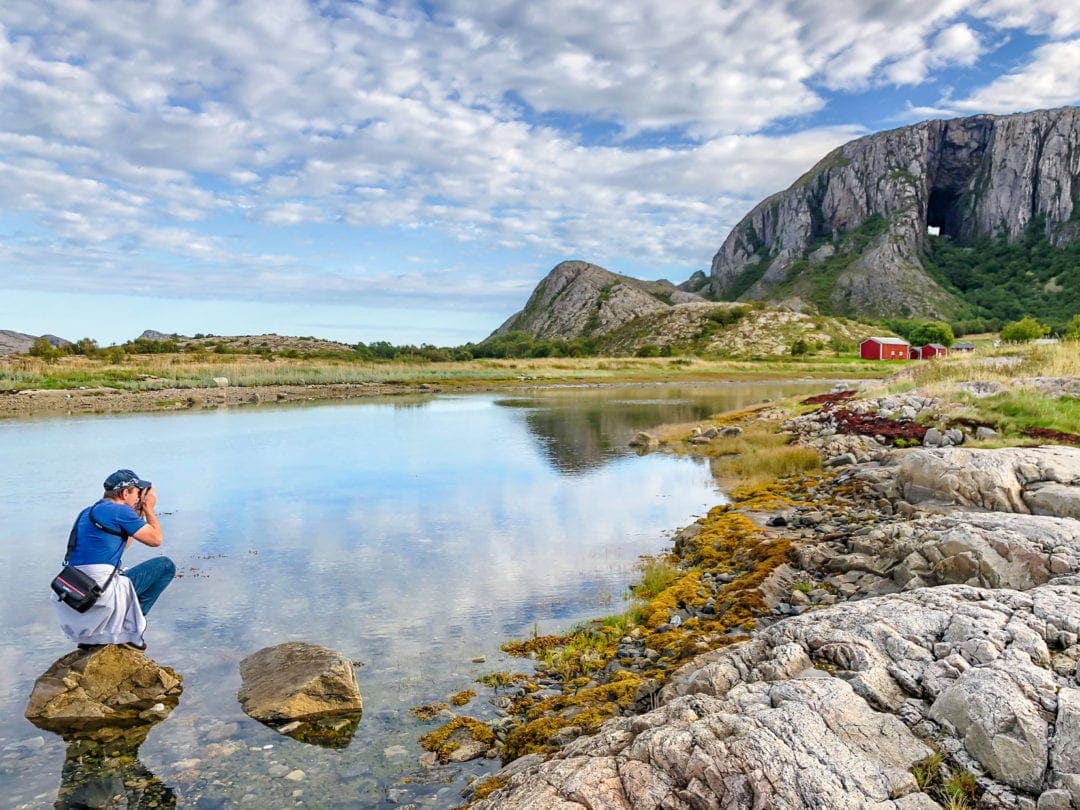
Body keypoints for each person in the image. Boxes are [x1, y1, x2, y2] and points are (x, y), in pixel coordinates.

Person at [55, 469, 175, 651]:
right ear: (125, 493)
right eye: (136, 493)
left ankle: (94, 637)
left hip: (76, 600)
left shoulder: (87, 513)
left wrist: (137, 517)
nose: (138, 498)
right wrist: (150, 509)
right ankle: (128, 633)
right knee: (165, 566)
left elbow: (120, 547)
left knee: (119, 575)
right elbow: (156, 540)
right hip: (99, 595)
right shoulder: (119, 511)